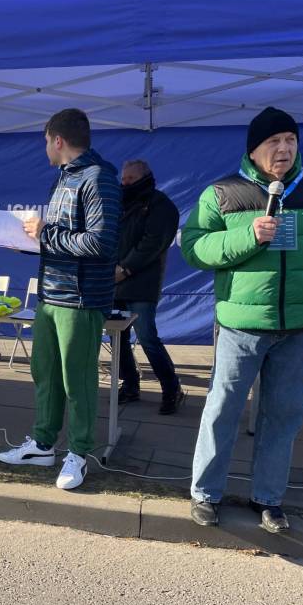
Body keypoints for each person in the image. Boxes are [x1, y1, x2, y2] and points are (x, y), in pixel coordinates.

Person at [181, 106, 303, 533]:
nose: (284, 149)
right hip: (240, 327)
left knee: (284, 417)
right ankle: (205, 493)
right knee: (222, 411)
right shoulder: (222, 192)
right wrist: (248, 235)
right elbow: (194, 247)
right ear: (254, 150)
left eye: (290, 140)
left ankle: (269, 499)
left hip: (301, 329)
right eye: (274, 141)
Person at [0, 108, 121, 490]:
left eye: (45, 142)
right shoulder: (64, 178)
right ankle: (42, 445)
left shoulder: (98, 177)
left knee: (77, 381)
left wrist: (45, 235)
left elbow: (101, 242)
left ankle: (79, 453)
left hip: (80, 300)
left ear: (57, 140)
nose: (45, 149)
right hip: (51, 295)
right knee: (45, 374)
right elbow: (63, 239)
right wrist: (30, 242)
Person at [114, 159, 184, 414]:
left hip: (141, 284)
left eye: (130, 179)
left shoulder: (161, 205)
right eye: (123, 179)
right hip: (114, 282)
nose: (125, 184)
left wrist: (125, 269)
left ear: (145, 177)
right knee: (117, 338)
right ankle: (130, 385)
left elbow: (152, 243)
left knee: (146, 337)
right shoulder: (119, 203)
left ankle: (171, 388)